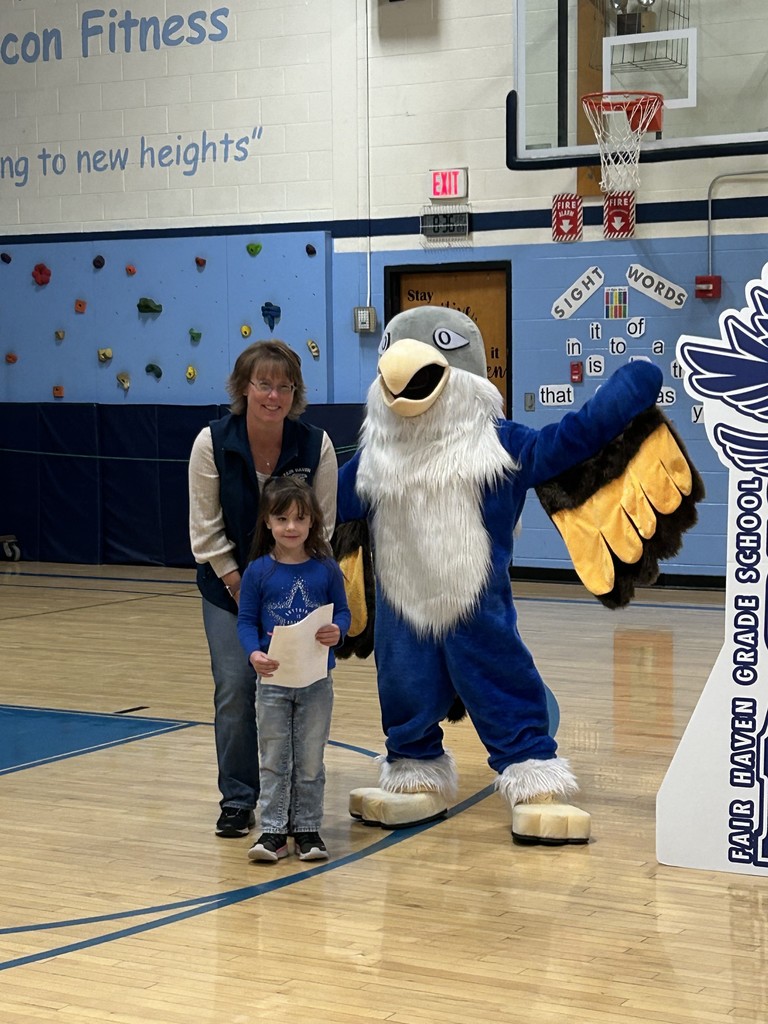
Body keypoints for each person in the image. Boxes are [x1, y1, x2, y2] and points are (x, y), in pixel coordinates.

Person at [188, 340, 338, 838]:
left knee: (293, 693)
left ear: (294, 393)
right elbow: (205, 530)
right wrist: (239, 584)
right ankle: (237, 799)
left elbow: (325, 529)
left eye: (284, 386)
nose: (273, 395)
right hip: (226, 587)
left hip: (295, 592)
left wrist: (298, 586)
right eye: (263, 384)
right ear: (243, 388)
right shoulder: (211, 442)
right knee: (235, 689)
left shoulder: (315, 445)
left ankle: (292, 806)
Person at [236, 477, 351, 863]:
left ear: (312, 523)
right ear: (267, 522)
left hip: (317, 681)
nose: (290, 527)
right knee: (273, 757)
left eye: (299, 519)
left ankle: (307, 829)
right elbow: (245, 621)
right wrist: (254, 654)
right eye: (281, 518)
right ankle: (272, 832)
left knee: (310, 758)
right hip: (272, 681)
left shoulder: (326, 569)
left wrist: (340, 631)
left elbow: (344, 612)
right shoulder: (257, 572)